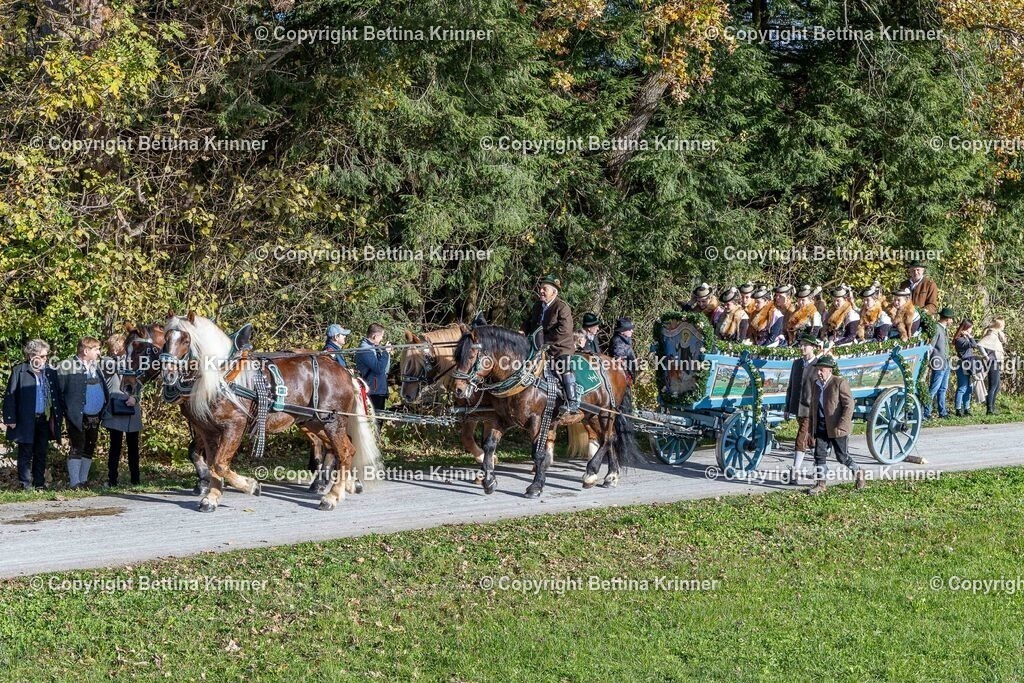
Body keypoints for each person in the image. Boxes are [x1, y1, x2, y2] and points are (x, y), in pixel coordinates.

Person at [3, 340, 64, 490]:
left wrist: (58, 417)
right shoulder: (20, 371)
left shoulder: (49, 371)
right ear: (31, 356)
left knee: (41, 452)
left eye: (46, 356)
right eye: (42, 356)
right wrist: (10, 418)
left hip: (44, 418)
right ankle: (25, 484)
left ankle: (39, 483)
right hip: (25, 419)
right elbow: (10, 395)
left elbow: (57, 394)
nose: (45, 359)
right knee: (25, 452)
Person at [807, 355, 865, 495]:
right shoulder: (816, 384)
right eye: (817, 370)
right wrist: (811, 429)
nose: (819, 373)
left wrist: (842, 425)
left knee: (842, 456)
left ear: (829, 370)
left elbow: (849, 405)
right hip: (820, 425)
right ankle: (821, 484)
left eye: (822, 370)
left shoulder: (839, 383)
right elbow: (812, 407)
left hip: (836, 426)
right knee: (819, 455)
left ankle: (858, 472)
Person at [521, 275, 579, 416]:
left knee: (564, 366)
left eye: (544, 289)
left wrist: (543, 341)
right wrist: (522, 332)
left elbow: (564, 330)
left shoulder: (562, 307)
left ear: (554, 292)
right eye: (540, 288)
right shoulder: (537, 306)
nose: (541, 291)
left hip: (559, 347)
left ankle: (572, 401)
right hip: (537, 345)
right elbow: (528, 323)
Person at [59, 337, 111, 488]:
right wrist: (68, 412)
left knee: (90, 446)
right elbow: (60, 391)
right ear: (86, 351)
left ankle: (83, 480)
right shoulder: (67, 366)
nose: (99, 353)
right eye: (96, 350)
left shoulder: (96, 366)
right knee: (77, 445)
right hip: (76, 415)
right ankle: (75, 482)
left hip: (95, 416)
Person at [102, 334, 143, 487]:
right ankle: (112, 479)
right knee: (115, 446)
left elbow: (140, 382)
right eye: (114, 347)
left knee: (133, 446)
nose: (116, 350)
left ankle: (136, 480)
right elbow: (116, 368)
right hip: (115, 408)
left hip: (131, 407)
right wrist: (123, 358)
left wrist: (136, 398)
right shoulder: (107, 361)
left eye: (118, 347)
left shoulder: (134, 362)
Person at [785, 334, 821, 483]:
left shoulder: (819, 366)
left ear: (813, 347)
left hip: (810, 409)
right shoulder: (797, 364)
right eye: (801, 345)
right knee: (811, 440)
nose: (802, 347)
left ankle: (795, 471)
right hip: (797, 407)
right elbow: (791, 386)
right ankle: (820, 468)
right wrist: (787, 408)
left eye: (805, 345)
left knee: (801, 437)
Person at [924, 308, 954, 420]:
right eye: (951, 319)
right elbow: (930, 346)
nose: (952, 321)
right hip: (938, 361)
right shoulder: (936, 328)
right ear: (947, 319)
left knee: (943, 388)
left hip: (946, 361)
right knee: (934, 388)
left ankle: (943, 411)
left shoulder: (944, 329)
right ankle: (926, 412)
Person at [355, 324, 392, 411]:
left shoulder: (375, 348)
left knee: (380, 420)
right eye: (381, 336)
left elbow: (385, 370)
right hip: (373, 392)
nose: (382, 339)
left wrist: (386, 353)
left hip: (380, 390)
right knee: (374, 421)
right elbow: (378, 369)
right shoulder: (365, 350)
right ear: (374, 336)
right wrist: (385, 353)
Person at [976, 318, 1006, 415]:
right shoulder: (991, 335)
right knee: (993, 386)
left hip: (996, 362)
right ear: (999, 325)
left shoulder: (997, 335)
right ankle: (989, 409)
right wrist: (986, 356)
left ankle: (992, 407)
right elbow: (980, 344)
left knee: (996, 386)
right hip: (992, 362)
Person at [953, 319, 980, 417]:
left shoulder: (965, 338)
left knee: (969, 388)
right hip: (963, 364)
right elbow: (974, 345)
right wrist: (969, 336)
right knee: (962, 387)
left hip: (970, 363)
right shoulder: (959, 340)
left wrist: (968, 336)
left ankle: (966, 408)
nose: (971, 329)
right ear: (965, 328)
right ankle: (958, 409)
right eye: (970, 327)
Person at [609, 317, 637, 413]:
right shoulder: (618, 341)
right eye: (629, 329)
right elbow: (618, 360)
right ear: (622, 331)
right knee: (624, 407)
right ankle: (624, 427)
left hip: (626, 378)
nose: (632, 331)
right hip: (621, 379)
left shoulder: (624, 340)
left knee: (627, 406)